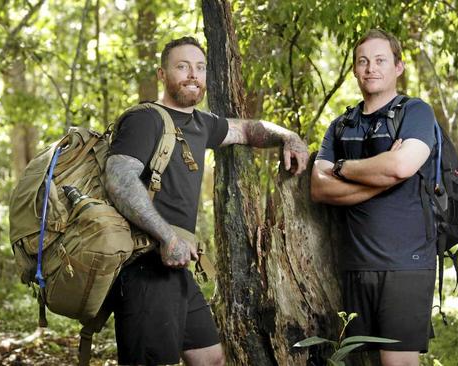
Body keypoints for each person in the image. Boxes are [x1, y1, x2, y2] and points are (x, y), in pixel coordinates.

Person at [104, 36, 309, 366]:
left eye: (199, 68)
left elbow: (246, 130)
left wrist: (289, 137)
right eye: (182, 66)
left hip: (177, 266)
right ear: (162, 73)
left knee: (211, 358)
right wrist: (167, 236)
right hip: (143, 265)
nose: (192, 75)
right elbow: (119, 178)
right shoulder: (145, 119)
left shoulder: (201, 124)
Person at [310, 29, 437, 366]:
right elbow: (318, 187)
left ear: (399, 67)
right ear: (354, 69)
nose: (371, 68)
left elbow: (401, 165)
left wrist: (340, 169)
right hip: (355, 266)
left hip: (405, 266)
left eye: (380, 60)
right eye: (363, 61)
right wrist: (378, 177)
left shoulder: (416, 113)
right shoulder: (341, 125)